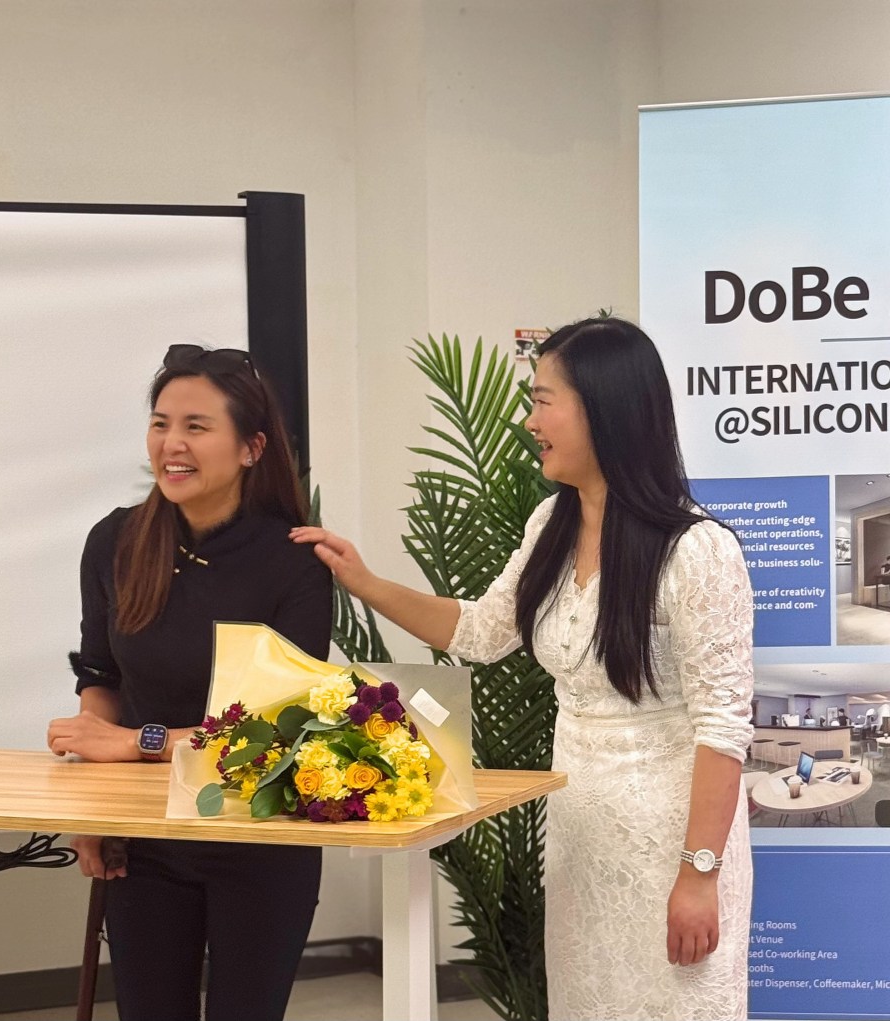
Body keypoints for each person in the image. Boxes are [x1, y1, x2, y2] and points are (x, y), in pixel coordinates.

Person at [292, 316, 754, 1021]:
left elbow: (723, 729)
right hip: (579, 840)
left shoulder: (698, 551)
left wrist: (698, 876)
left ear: (604, 408)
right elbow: (480, 632)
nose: (529, 421)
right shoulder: (550, 525)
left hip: (674, 845)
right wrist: (365, 582)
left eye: (543, 401)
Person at [47, 344, 333, 1021]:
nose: (171, 444)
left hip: (260, 834)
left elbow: (278, 729)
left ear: (252, 447)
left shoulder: (295, 560)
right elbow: (100, 677)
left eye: (196, 427)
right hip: (145, 839)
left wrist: (136, 742)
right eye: (160, 423)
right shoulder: (115, 541)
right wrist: (91, 814)